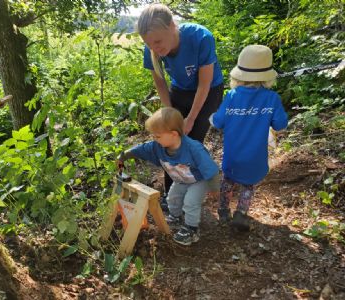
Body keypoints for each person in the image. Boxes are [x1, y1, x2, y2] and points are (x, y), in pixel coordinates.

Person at [137, 4, 224, 204]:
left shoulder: (201, 37)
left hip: (208, 91)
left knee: (190, 141)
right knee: (169, 140)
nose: (155, 48)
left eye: (158, 41)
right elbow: (160, 81)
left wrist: (191, 118)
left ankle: (194, 193)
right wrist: (168, 113)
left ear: (172, 26)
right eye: (150, 44)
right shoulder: (151, 48)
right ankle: (171, 197)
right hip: (180, 91)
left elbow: (204, 84)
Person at [210, 45, 288, 231]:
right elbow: (280, 124)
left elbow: (218, 122)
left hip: (233, 155)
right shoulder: (272, 98)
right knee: (248, 186)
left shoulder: (232, 96)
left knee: (227, 181)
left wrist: (212, 118)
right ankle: (241, 213)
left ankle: (222, 211)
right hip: (255, 157)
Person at [117, 107, 219, 245]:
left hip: (198, 181)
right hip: (180, 180)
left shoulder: (194, 149)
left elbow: (210, 169)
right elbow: (141, 149)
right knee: (172, 199)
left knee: (190, 202)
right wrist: (124, 155)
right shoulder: (157, 146)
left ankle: (191, 229)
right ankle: (176, 217)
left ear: (173, 134)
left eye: (157, 136)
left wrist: (214, 188)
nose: (155, 139)